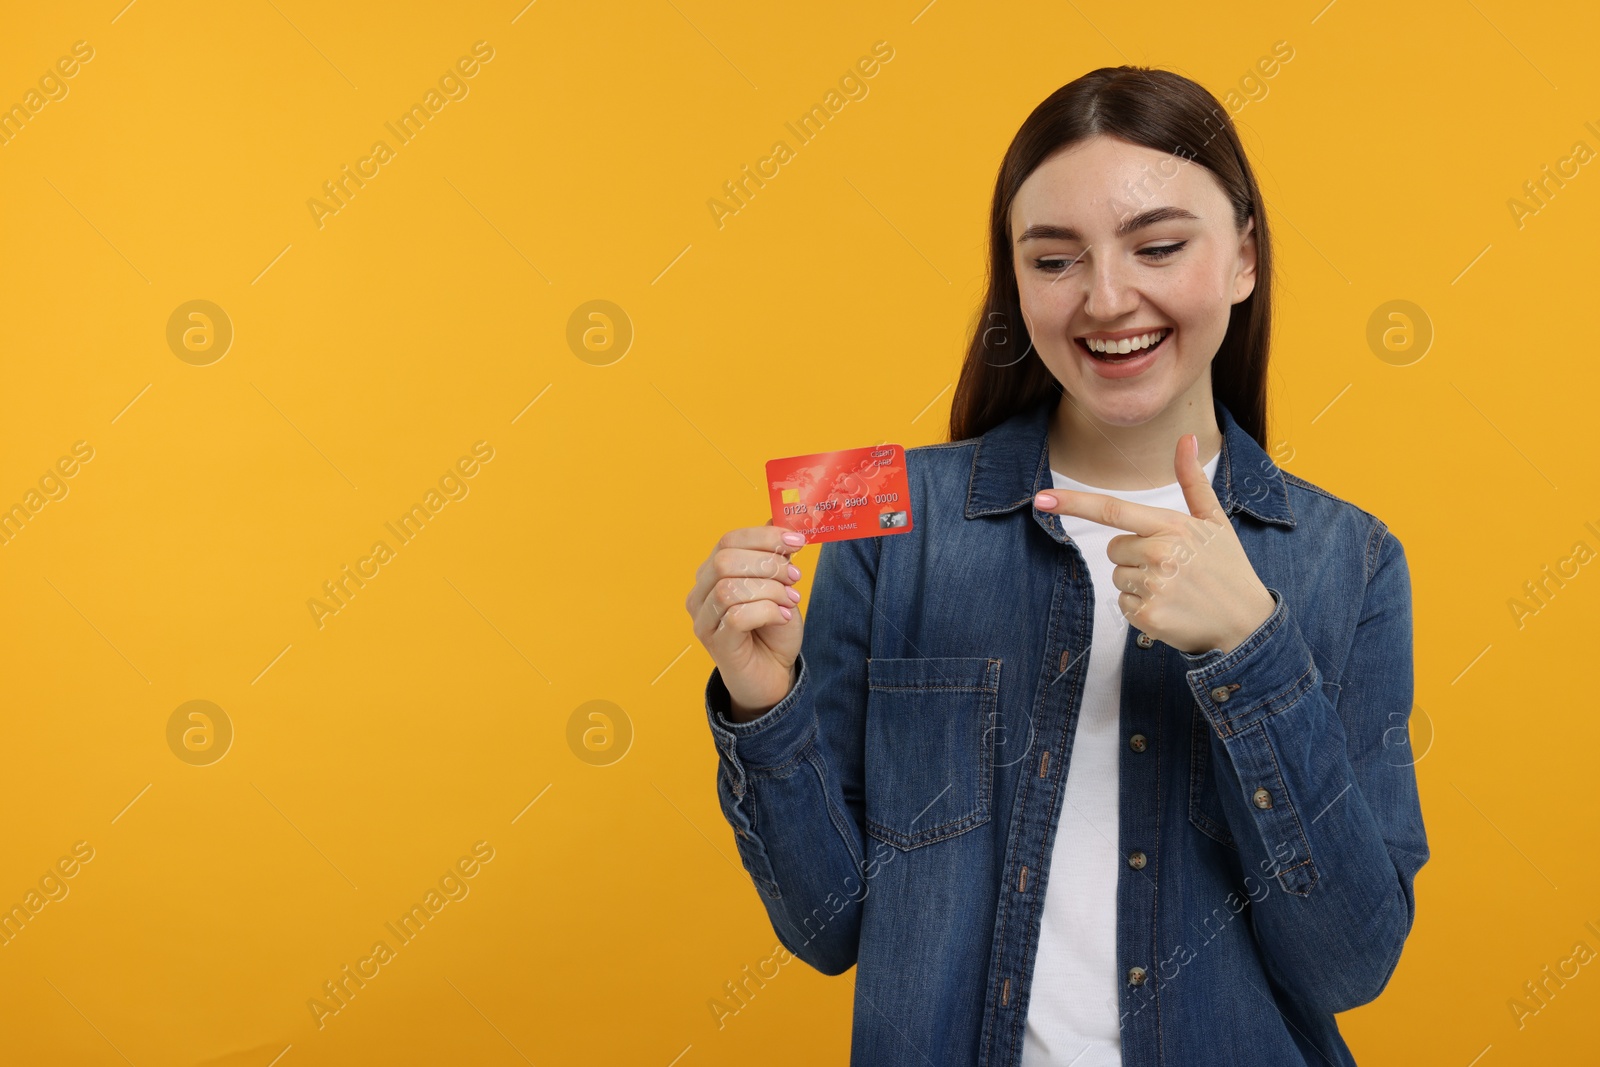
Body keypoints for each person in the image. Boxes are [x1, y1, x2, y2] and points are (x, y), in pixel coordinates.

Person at [684, 65, 1428, 1067]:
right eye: (1053, 259)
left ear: (1243, 257)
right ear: (1014, 281)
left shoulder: (1350, 560)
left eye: (1158, 245)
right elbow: (830, 928)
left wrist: (1254, 654)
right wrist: (762, 695)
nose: (1107, 298)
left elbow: (1350, 964)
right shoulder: (890, 521)